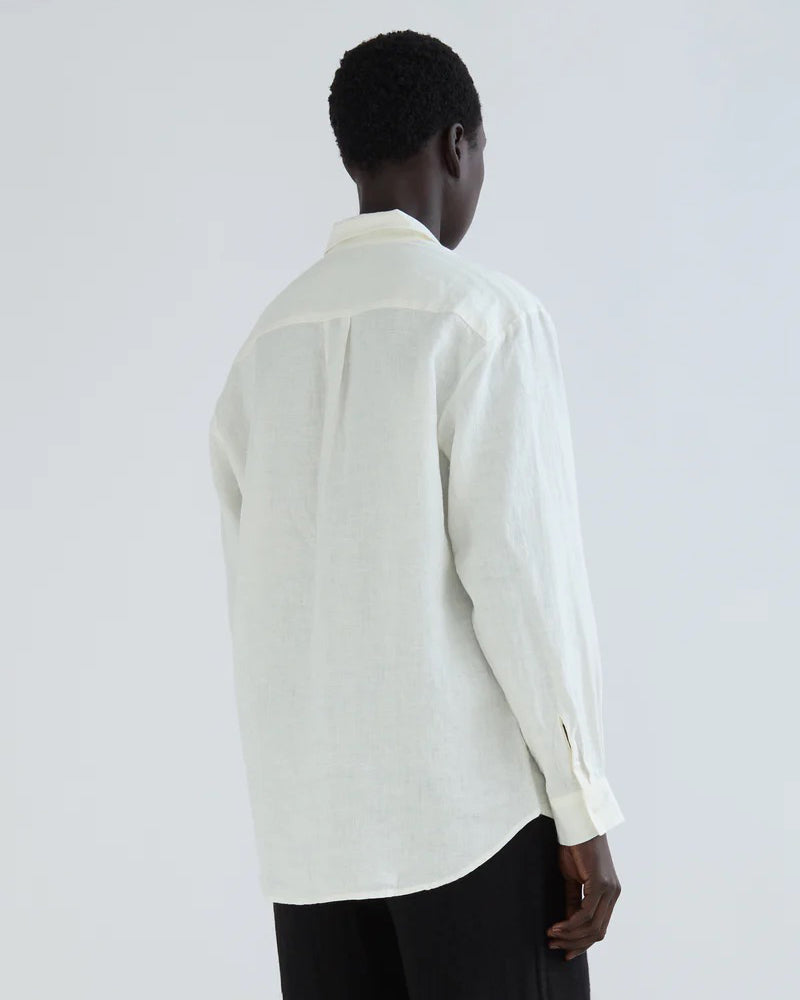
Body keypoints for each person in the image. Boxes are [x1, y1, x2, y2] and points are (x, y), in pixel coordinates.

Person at [208, 27, 625, 1000]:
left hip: (313, 845)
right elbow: (524, 582)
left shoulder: (263, 352)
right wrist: (582, 808)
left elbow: (256, 601)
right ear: (456, 145)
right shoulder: (484, 320)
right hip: (469, 826)